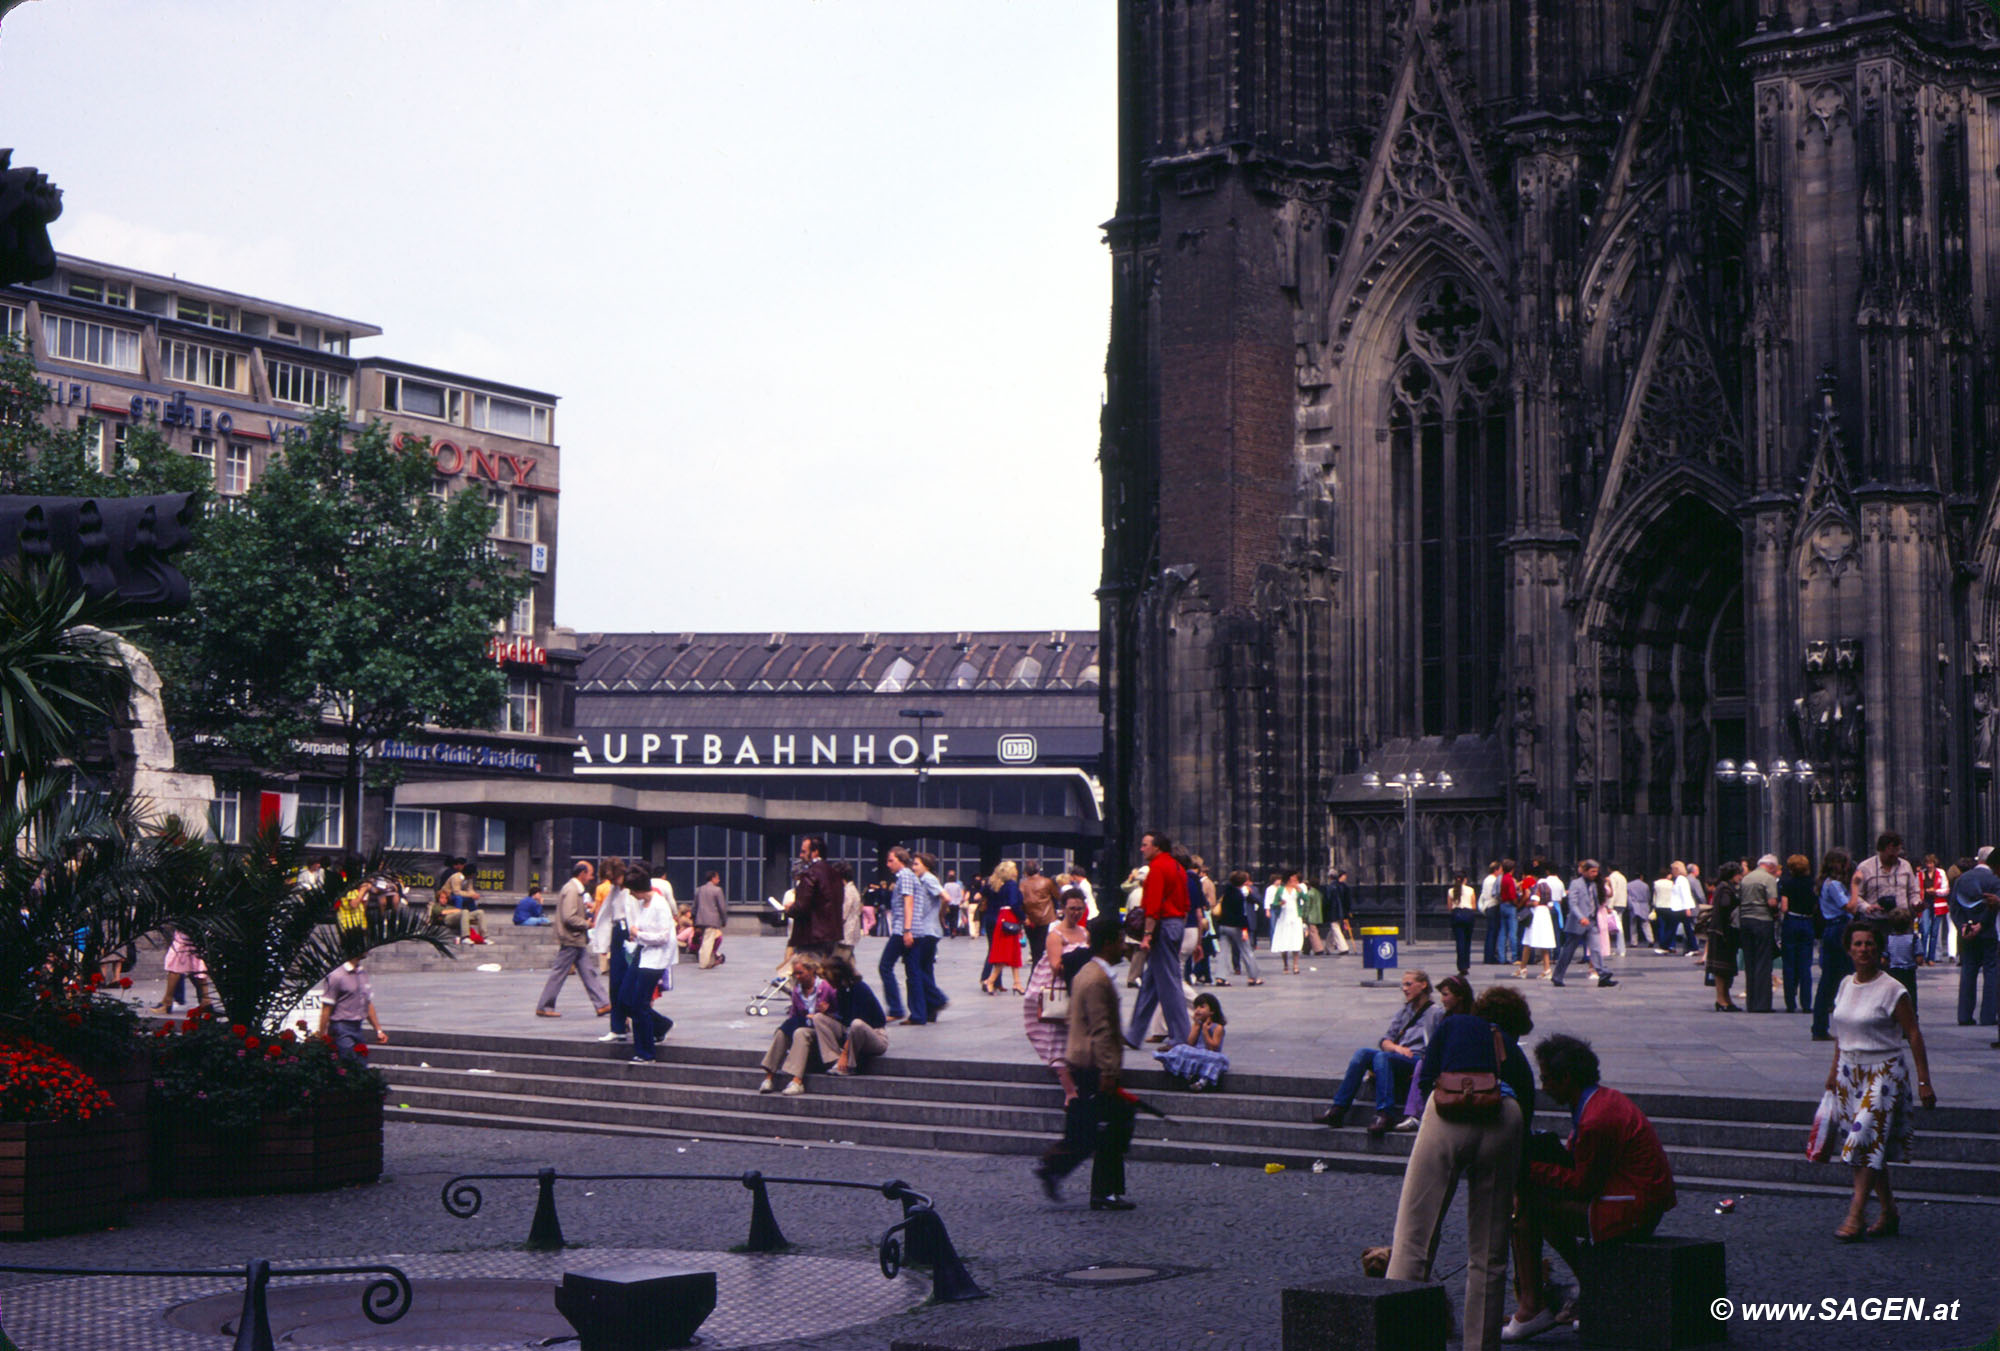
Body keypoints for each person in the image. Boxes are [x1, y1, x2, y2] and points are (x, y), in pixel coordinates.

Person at [1387, 984, 1534, 1351]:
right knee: (1489, 1253)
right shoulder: (1513, 1052)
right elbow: (1526, 1114)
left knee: (1414, 1238)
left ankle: (1396, 1338)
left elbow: (1425, 1075)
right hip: (1504, 1118)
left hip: (1447, 1112)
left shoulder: (1455, 1026)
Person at [1504, 1035, 1676, 1342]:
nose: (1544, 1087)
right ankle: (1588, 1288)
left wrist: (1530, 1170)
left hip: (1631, 1207)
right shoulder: (1602, 1099)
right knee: (1539, 1203)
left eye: (1547, 1079)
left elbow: (1582, 1185)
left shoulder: (1595, 1118)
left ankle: (1534, 1306)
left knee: (1531, 1204)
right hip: (1635, 1197)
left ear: (1566, 1078)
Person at [1821, 921, 1936, 1240]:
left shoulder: (1893, 989)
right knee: (1871, 1146)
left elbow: (1912, 1033)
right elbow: (1840, 1032)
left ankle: (1855, 1215)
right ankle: (1889, 1211)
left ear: (1879, 948)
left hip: (1884, 1073)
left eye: (1869, 944)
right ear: (1849, 949)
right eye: (1857, 944)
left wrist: (1924, 1081)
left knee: (1864, 1140)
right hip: (1849, 1073)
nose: (1863, 949)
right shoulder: (1845, 984)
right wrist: (1833, 1071)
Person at [1033, 914, 1138, 1209]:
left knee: (1097, 1126)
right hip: (1093, 1064)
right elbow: (1101, 1028)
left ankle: (1064, 1172)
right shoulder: (1095, 979)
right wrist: (1109, 1070)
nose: (1123, 947)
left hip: (1086, 1061)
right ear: (1108, 943)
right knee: (1108, 1127)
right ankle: (1097, 1188)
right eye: (1120, 940)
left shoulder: (1091, 973)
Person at [1319, 969, 1440, 1136]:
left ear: (1423, 985)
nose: (1404, 989)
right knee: (1362, 1054)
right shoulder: (1405, 1011)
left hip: (1416, 1059)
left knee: (1382, 1057)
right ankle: (1338, 1108)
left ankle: (1385, 1113)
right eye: (1402, 985)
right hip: (1396, 1055)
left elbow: (1438, 1045)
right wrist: (1397, 1048)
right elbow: (1385, 1040)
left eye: (1408, 984)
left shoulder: (1435, 1013)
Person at [1124, 831, 1192, 1050]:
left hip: (1162, 926)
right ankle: (1134, 1034)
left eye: (1145, 845)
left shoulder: (1157, 869)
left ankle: (1181, 1036)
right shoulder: (1178, 867)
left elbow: (1152, 907)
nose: (1142, 849)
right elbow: (1186, 904)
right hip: (1176, 924)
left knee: (1170, 985)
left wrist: (1147, 936)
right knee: (1151, 982)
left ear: (1157, 847)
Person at [1026, 889, 1091, 1099]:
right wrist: (1081, 960)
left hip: (1081, 990)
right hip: (1062, 990)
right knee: (1057, 1040)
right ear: (1063, 909)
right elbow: (1056, 966)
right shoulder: (1056, 935)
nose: (1075, 912)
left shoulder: (1085, 933)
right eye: (1071, 908)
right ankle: (1069, 1092)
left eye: (1079, 908)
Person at [536, 861, 611, 1020]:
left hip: (576, 939)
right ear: (582, 873)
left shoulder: (575, 890)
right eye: (590, 873)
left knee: (588, 972)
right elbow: (569, 917)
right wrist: (587, 924)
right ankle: (544, 1006)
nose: (591, 877)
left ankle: (603, 1004)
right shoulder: (571, 890)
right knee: (559, 973)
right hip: (572, 938)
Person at [619, 870, 676, 1063]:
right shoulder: (644, 904)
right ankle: (660, 1025)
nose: (631, 895)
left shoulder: (659, 906)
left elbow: (663, 937)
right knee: (625, 998)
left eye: (632, 891)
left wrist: (639, 934)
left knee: (640, 1005)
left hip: (655, 959)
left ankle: (646, 1051)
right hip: (643, 954)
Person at [758, 954, 836, 1095]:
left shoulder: (826, 988)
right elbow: (793, 1015)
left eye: (801, 973)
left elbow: (840, 1015)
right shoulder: (797, 991)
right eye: (796, 974)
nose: (798, 977)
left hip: (821, 1031)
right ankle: (769, 1076)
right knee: (783, 1032)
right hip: (804, 1025)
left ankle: (797, 1081)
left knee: (801, 1033)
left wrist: (827, 1011)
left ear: (811, 970)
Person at [1812, 849, 1860, 1041]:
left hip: (1834, 929)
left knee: (1832, 979)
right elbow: (1850, 907)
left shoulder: (1829, 883)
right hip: (1839, 929)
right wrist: (1855, 887)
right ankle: (1822, 1026)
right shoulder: (1834, 885)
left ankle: (1821, 1025)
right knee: (1839, 977)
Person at [1949, 846, 2000, 1027]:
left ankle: (1964, 1015)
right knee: (1992, 972)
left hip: (1967, 933)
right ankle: (1988, 1016)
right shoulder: (1996, 878)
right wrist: (1982, 925)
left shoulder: (1963, 878)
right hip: (1990, 932)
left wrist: (1963, 926)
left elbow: (1954, 906)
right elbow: (1994, 907)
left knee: (1968, 971)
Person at [816, 953, 889, 1076]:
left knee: (857, 1024)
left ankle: (849, 1065)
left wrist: (845, 1053)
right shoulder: (842, 990)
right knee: (819, 1018)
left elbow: (856, 1023)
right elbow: (844, 1019)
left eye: (829, 980)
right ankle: (833, 1059)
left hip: (874, 1035)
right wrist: (828, 1013)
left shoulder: (860, 989)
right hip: (850, 1032)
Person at [1552, 860, 1614, 988]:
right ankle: (1557, 976)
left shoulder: (1595, 883)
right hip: (1578, 923)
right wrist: (1581, 917)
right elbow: (1573, 903)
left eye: (1596, 872)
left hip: (1591, 921)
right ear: (1585, 871)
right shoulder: (1576, 883)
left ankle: (1603, 974)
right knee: (1568, 951)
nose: (1595, 874)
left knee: (1596, 948)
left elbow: (1601, 898)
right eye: (1592, 871)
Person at [319, 947, 386, 1058]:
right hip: (341, 1028)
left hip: (357, 1028)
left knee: (361, 1064)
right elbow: (326, 1008)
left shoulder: (361, 972)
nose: (368, 948)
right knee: (348, 1063)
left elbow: (367, 1003)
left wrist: (378, 1030)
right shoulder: (337, 975)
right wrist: (321, 1036)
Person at [1156, 991, 1229, 1090]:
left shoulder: (1217, 1027)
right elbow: (1190, 1043)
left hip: (1210, 1054)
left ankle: (1202, 1082)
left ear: (1212, 1011)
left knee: (1216, 1060)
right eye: (1196, 1007)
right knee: (1181, 1048)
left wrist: (1205, 1031)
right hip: (1197, 1052)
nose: (1198, 1010)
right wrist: (1196, 1025)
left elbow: (1213, 1047)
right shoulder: (1198, 1025)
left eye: (1202, 1007)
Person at [1738, 854, 1781, 1013]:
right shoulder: (1768, 879)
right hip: (1762, 921)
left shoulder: (1746, 878)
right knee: (1763, 962)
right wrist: (1776, 913)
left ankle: (1751, 1002)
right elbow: (1772, 902)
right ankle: (1762, 1004)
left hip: (1745, 921)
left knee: (1750, 962)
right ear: (1770, 866)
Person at [1779, 854, 1818, 1013]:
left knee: (1789, 964)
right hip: (1807, 922)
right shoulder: (1812, 883)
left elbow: (1784, 907)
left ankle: (1790, 1003)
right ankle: (1807, 1004)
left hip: (1792, 922)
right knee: (1805, 964)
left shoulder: (1787, 883)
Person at [1704, 861, 1744, 1012]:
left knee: (1726, 969)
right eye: (1738, 874)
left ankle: (1726, 998)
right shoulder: (1725, 888)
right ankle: (1721, 999)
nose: (1740, 877)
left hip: (1723, 932)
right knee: (1721, 968)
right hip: (1722, 933)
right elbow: (1726, 905)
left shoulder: (1724, 887)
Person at [1853, 831, 1919, 919]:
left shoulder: (1905, 866)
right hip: (1875, 920)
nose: (1895, 855)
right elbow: (1856, 895)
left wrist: (1916, 903)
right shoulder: (1865, 868)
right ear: (1881, 850)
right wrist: (1867, 907)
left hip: (1902, 922)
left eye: (1897, 851)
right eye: (1891, 853)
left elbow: (1913, 892)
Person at [1214, 871, 1264, 985]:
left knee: (1223, 952)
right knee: (1246, 951)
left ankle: (1220, 977)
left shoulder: (1226, 892)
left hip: (1223, 925)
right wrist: (1245, 929)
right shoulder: (1239, 895)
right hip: (1236, 926)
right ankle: (1253, 977)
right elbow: (1242, 914)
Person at [1515, 861, 1557, 980]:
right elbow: (1550, 904)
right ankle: (1547, 969)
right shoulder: (1548, 886)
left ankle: (1523, 968)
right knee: (1544, 943)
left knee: (1528, 940)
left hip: (1537, 914)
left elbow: (1535, 902)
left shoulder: (1537, 886)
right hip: (1545, 914)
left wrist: (1528, 903)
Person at [433, 858, 488, 945]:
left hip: (459, 895)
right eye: (473, 875)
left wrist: (474, 895)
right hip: (449, 895)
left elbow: (470, 890)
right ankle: (459, 915)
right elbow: (456, 891)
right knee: (459, 898)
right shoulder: (456, 877)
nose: (473, 877)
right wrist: (470, 895)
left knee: (473, 904)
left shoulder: (469, 879)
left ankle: (483, 935)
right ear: (469, 874)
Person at [983, 887, 1027, 994]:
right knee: (1007, 952)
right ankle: (991, 980)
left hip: (1001, 917)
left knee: (1013, 952)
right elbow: (1014, 904)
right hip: (1009, 917)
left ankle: (1017, 982)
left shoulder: (996, 885)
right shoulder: (1011, 885)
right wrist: (1024, 918)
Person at [1018, 859, 1059, 969]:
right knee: (1041, 949)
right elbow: (1058, 896)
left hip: (1030, 920)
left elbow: (1020, 903)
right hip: (1046, 918)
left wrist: (1024, 917)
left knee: (1034, 949)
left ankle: (1035, 972)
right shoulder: (1047, 882)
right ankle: (1037, 973)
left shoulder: (1022, 885)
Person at [1883, 908, 1920, 1014]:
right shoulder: (1913, 939)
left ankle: (1895, 1016)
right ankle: (1912, 1017)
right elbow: (1919, 958)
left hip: (1894, 971)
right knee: (1910, 995)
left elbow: (1884, 959)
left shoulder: (1889, 939)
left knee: (1894, 996)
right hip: (1909, 972)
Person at [1269, 869, 1305, 974]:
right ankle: (1285, 964)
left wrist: (1300, 892)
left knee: (1295, 941)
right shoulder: (1280, 890)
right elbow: (1274, 903)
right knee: (1284, 941)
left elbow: (1306, 899)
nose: (1295, 879)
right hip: (1284, 916)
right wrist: (1280, 903)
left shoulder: (1298, 889)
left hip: (1295, 916)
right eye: (1294, 877)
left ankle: (1295, 965)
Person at [1918, 854, 1950, 965]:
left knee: (1934, 932)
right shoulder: (1920, 874)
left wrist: (1935, 891)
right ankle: (1922, 956)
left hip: (1938, 904)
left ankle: (1931, 957)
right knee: (1925, 931)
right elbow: (1916, 889)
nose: (1929, 865)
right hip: (1925, 904)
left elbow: (1946, 889)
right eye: (1927, 863)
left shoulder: (1941, 873)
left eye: (1931, 863)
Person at [692, 869, 728, 968]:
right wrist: (724, 920)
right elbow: (722, 907)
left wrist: (694, 919)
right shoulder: (717, 890)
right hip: (712, 920)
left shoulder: (699, 889)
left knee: (706, 939)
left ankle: (709, 961)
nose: (719, 880)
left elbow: (694, 906)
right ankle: (703, 963)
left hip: (700, 919)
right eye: (717, 878)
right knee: (708, 941)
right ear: (713, 878)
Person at [1447, 870, 1478, 977]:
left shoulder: (1451, 891)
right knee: (1467, 941)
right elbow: (1474, 906)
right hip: (1468, 914)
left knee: (1459, 941)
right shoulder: (1470, 890)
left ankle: (1461, 966)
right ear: (1465, 879)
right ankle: (1466, 964)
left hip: (1457, 914)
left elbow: (1450, 907)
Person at [1625, 869, 1654, 951]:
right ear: (1641, 877)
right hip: (1644, 904)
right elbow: (1648, 896)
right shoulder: (1645, 885)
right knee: (1645, 923)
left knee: (1633, 924)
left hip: (1634, 904)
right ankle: (1650, 940)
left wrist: (1629, 905)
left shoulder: (1629, 885)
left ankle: (1634, 942)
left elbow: (1627, 896)